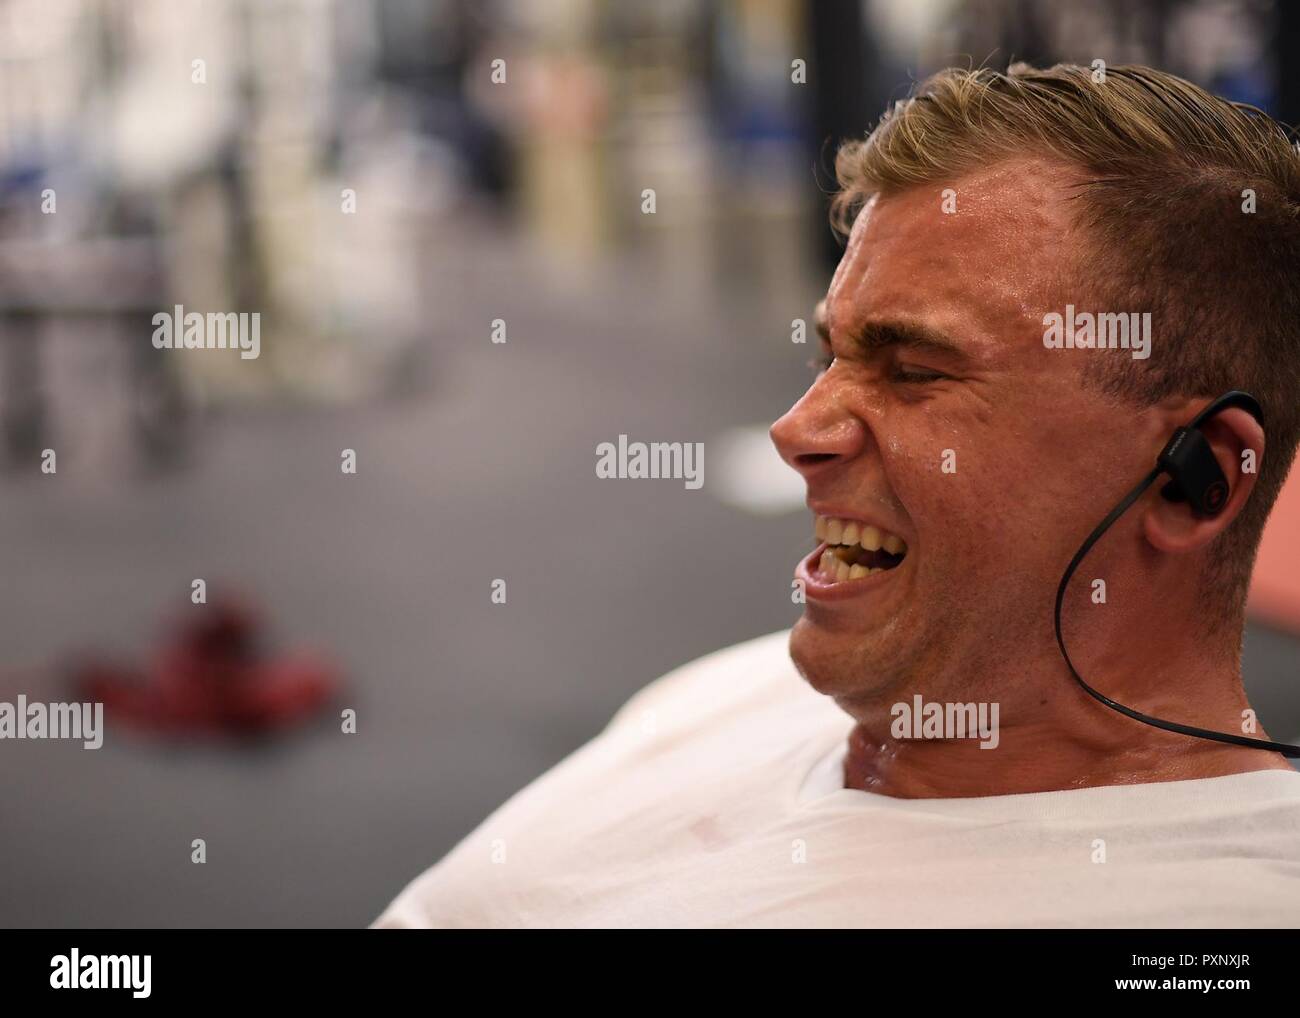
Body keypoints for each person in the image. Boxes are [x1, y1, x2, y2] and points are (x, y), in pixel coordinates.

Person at [376, 63, 1300, 927]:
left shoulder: (1205, 922)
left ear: (1195, 480)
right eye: (831, 355)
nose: (794, 432)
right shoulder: (740, 687)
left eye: (915, 371)